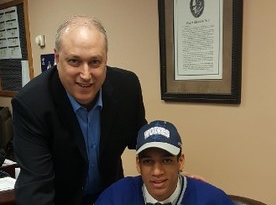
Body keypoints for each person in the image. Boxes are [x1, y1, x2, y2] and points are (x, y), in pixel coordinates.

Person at [11, 15, 147, 205]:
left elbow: (143, 140)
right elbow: (36, 188)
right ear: (57, 58)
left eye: (95, 62)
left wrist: (174, 174)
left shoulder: (127, 87)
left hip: (110, 196)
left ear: (106, 59)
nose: (85, 75)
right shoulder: (32, 104)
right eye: (74, 61)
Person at [95, 120, 234, 205]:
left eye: (166, 160)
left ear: (180, 161)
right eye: (148, 161)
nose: (157, 171)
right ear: (138, 164)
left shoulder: (212, 200)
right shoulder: (116, 196)